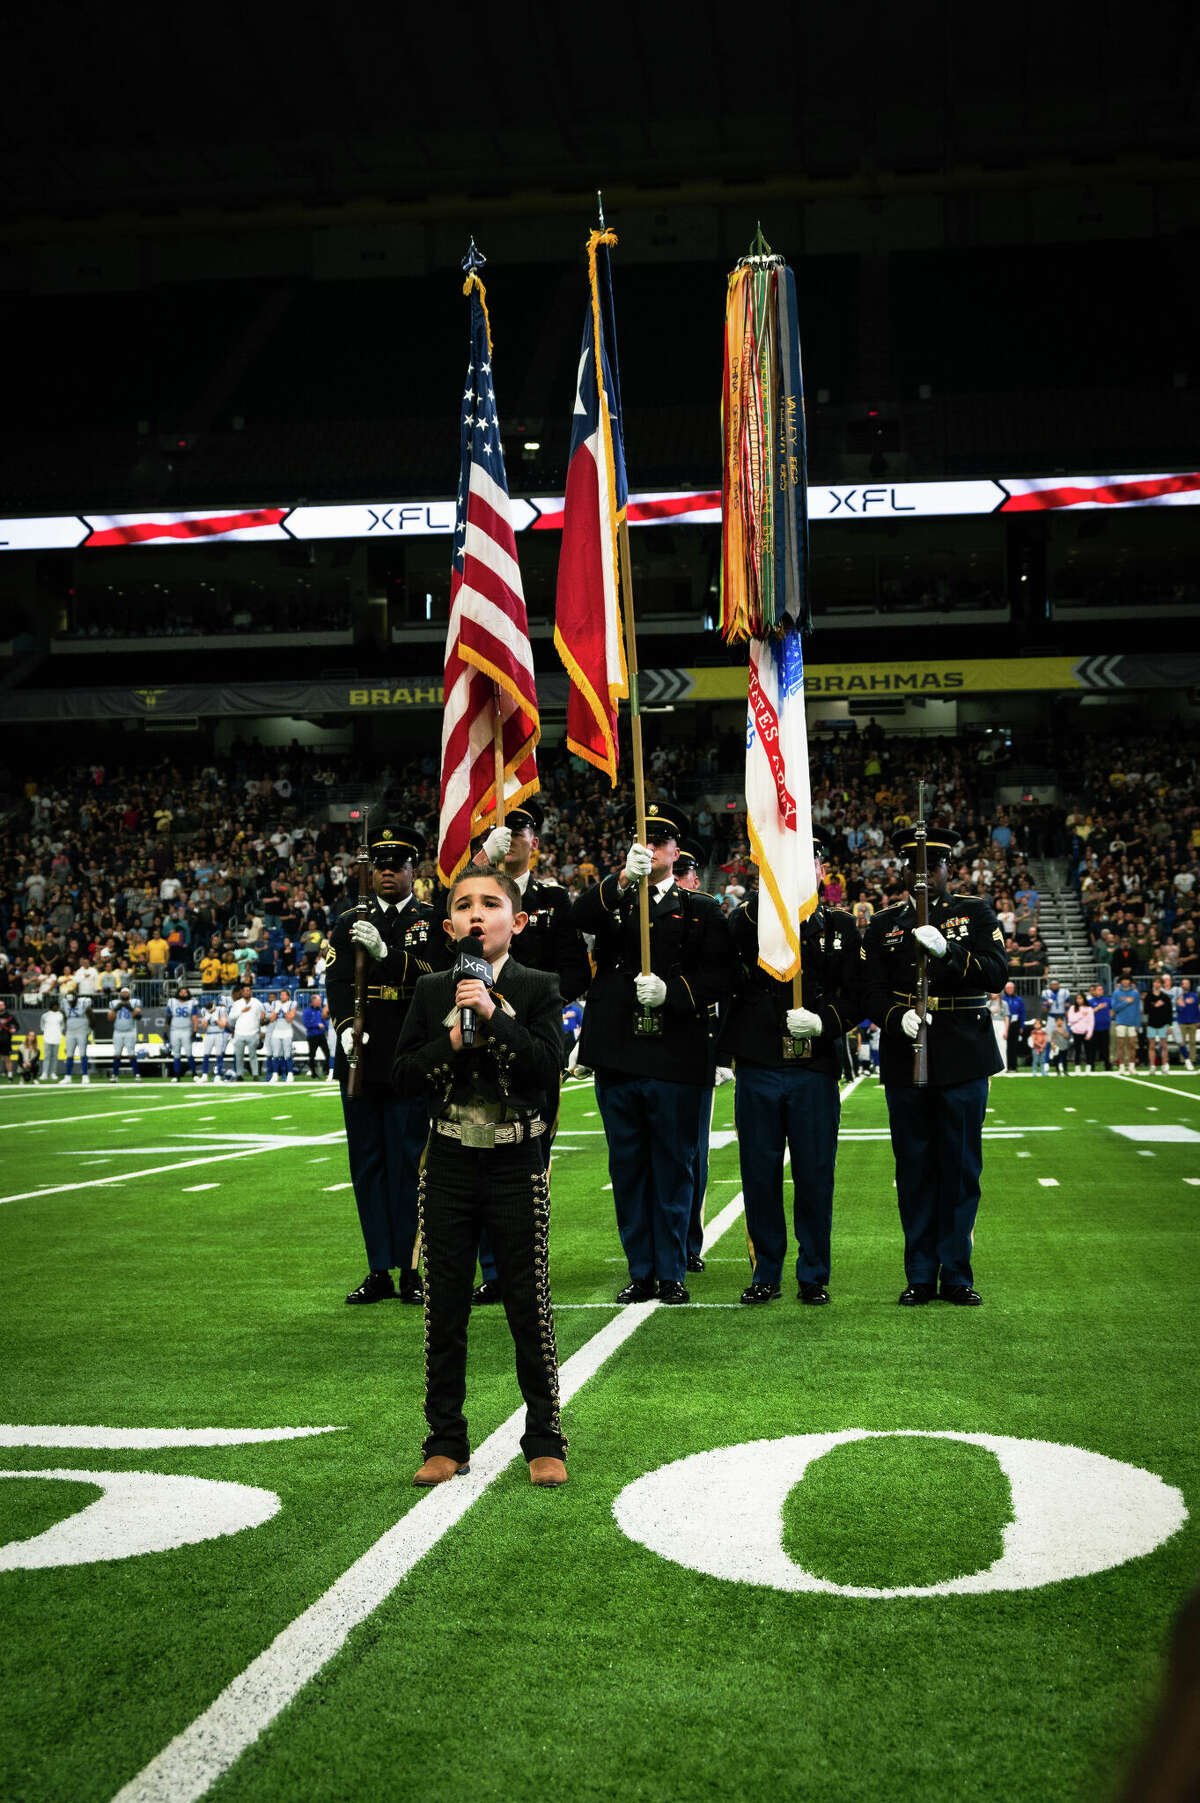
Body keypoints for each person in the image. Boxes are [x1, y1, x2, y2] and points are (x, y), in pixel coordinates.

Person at [393, 866, 568, 1488]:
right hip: (448, 1162)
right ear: (447, 927)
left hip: (516, 1161)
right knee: (445, 1307)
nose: (476, 914)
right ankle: (444, 1439)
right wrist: (451, 1041)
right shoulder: (433, 989)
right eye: (462, 905)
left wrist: (494, 1015)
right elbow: (405, 1076)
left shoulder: (538, 983)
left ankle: (545, 1437)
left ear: (516, 922)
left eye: (490, 904)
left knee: (529, 1304)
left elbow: (548, 1068)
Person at [571, 800, 734, 1305]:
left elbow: (723, 976)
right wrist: (621, 879)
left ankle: (671, 1270)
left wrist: (674, 991)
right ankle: (640, 1269)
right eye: (641, 840)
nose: (650, 848)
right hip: (618, 1049)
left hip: (675, 1052)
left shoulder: (702, 909)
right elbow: (577, 918)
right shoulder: (615, 897)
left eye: (659, 840)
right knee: (628, 1166)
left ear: (675, 850)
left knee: (674, 1163)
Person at [860, 824, 1007, 1306]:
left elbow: (997, 974)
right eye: (913, 868)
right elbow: (873, 991)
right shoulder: (884, 924)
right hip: (908, 1056)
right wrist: (894, 1016)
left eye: (932, 867)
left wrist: (949, 950)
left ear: (948, 869)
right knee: (916, 1169)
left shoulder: (974, 912)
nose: (922, 877)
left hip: (963, 1053)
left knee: (961, 1169)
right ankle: (921, 1273)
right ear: (903, 871)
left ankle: (957, 1274)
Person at [717, 837, 860, 1306]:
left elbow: (856, 993)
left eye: (808, 861)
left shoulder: (838, 925)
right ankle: (767, 1272)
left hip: (813, 1066)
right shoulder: (744, 920)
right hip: (759, 1064)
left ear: (821, 870)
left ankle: (814, 1273)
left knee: (815, 1175)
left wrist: (824, 1023)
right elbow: (725, 978)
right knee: (759, 1175)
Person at [461, 801, 591, 1305]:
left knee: (531, 1156)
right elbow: (444, 940)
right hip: (476, 1042)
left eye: (519, 829)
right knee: (477, 1149)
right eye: (501, 830)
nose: (511, 838)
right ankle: (493, 1270)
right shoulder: (471, 894)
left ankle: (526, 1264)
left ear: (534, 839)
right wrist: (477, 867)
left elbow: (576, 969)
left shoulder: (554, 900)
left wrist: (534, 998)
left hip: (534, 1041)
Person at [326, 824, 447, 1306]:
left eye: (397, 865)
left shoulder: (432, 921)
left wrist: (386, 953)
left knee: (409, 1164)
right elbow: (336, 980)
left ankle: (413, 1267)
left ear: (413, 870)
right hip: (361, 1056)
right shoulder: (347, 921)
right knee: (368, 1165)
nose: (387, 873)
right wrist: (342, 1027)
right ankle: (379, 1266)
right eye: (380, 866)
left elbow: (436, 978)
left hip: (410, 1053)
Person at [228, 983, 266, 1080]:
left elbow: (263, 1015)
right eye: (244, 991)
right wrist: (242, 1011)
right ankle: (240, 1074)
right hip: (239, 1033)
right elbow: (231, 1017)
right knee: (239, 1055)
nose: (246, 992)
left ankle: (255, 1074)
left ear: (251, 992)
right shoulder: (237, 1004)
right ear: (242, 992)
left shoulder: (257, 1002)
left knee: (253, 1055)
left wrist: (262, 1025)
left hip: (253, 1033)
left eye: (248, 990)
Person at [107, 988, 142, 1081]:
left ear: (129, 994)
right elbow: (110, 1018)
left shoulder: (135, 1002)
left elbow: (137, 1015)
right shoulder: (114, 1003)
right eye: (123, 992)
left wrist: (129, 1008)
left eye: (126, 993)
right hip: (118, 1031)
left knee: (131, 1053)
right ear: (120, 994)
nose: (125, 994)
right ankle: (115, 1075)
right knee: (117, 1053)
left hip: (130, 1030)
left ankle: (137, 1075)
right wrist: (116, 1009)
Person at [166, 984, 199, 1082]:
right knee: (176, 1054)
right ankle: (177, 1075)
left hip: (186, 1030)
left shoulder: (191, 1003)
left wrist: (195, 1030)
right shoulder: (172, 1002)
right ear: (178, 993)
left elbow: (194, 1018)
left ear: (188, 993)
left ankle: (194, 1074)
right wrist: (165, 1030)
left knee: (189, 1052)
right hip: (174, 1030)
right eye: (181, 992)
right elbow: (168, 1017)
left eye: (185, 992)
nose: (183, 993)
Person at [1111, 975, 1143, 1072]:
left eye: (1127, 980)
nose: (1125, 982)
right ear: (1121, 982)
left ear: (1130, 982)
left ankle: (1132, 1066)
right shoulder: (1116, 993)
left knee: (1132, 1045)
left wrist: (1138, 1024)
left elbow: (1138, 1010)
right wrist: (1126, 1002)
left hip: (1132, 1023)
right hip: (1120, 1022)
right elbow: (1115, 1008)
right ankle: (1121, 1066)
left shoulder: (1135, 994)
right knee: (1120, 1045)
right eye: (1123, 980)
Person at [62, 984, 93, 1084]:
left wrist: (90, 1027)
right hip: (70, 1031)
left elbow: (90, 1014)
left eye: (72, 1001)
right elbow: (64, 1015)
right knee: (69, 1054)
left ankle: (85, 1075)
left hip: (81, 1030)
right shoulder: (65, 1002)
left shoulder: (83, 1002)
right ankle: (67, 1076)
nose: (70, 1003)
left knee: (83, 1053)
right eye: (69, 1001)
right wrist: (65, 1026)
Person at [265, 988, 297, 1083]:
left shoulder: (292, 1003)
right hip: (277, 1030)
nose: (282, 996)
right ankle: (275, 1075)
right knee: (275, 1054)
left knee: (287, 1053)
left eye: (284, 995)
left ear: (288, 996)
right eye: (281, 995)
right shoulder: (275, 1003)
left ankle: (290, 1074)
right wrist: (276, 1009)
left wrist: (284, 1009)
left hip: (287, 1030)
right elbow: (272, 1019)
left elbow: (290, 1019)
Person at [1145, 979, 1174, 1073]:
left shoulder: (1165, 997)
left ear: (1161, 985)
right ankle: (1152, 1066)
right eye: (1155, 982)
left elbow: (1170, 1013)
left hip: (1163, 1024)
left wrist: (1171, 1026)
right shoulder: (1148, 996)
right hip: (1151, 1024)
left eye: (1158, 983)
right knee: (1152, 1046)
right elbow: (1146, 1010)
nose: (1156, 984)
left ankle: (1164, 1065)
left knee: (1164, 1046)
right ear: (1153, 984)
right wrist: (1155, 1005)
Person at [198, 998, 230, 1082]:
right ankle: (204, 1075)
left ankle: (218, 1075)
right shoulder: (204, 1011)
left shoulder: (221, 1010)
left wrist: (216, 1019)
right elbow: (204, 1027)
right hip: (209, 1034)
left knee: (219, 1054)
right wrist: (206, 1019)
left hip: (219, 1034)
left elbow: (223, 1025)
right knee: (206, 1054)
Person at [302, 993, 331, 1079]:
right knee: (312, 1055)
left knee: (328, 1053)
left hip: (321, 1035)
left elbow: (324, 1022)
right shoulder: (307, 1011)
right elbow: (306, 1024)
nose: (320, 1002)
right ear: (313, 1001)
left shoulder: (320, 1010)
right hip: (312, 1036)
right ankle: (313, 1074)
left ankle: (327, 1070)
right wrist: (317, 1025)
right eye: (318, 1000)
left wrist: (326, 1028)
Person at [1001, 980, 1026, 1072]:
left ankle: (1014, 1067)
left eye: (1011, 988)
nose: (1010, 989)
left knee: (1014, 1046)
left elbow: (1022, 1013)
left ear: (1014, 989)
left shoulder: (1019, 999)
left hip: (1015, 1024)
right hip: (1005, 1025)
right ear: (1005, 989)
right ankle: (1006, 1066)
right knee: (1005, 1046)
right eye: (1008, 988)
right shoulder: (1003, 999)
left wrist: (1021, 1026)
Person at [1067, 993, 1094, 1072]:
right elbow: (1071, 1020)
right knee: (1077, 1050)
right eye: (1078, 998)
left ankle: (1088, 1067)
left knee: (1088, 1050)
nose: (1079, 1000)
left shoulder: (1089, 1009)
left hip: (1086, 1032)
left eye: (1081, 998)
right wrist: (1081, 1015)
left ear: (1084, 999)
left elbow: (1091, 1022)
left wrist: (1089, 1033)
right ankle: (1077, 1067)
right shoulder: (1072, 1008)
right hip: (1076, 1032)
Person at [1088, 983, 1112, 1071]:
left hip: (1105, 1027)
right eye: (1098, 989)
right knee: (1092, 1048)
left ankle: (1107, 1065)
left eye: (1102, 989)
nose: (1100, 991)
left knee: (1105, 1048)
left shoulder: (1107, 1000)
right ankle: (1091, 1065)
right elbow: (1088, 1013)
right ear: (1094, 991)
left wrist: (1108, 1018)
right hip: (1094, 1028)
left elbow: (1111, 1010)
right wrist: (1097, 1008)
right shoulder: (1090, 1002)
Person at [39, 999, 64, 1083]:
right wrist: (48, 1032)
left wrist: (58, 1033)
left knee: (54, 1057)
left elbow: (62, 1026)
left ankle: (53, 1073)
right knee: (47, 1056)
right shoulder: (45, 1015)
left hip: (57, 1038)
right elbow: (42, 1026)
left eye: (56, 1005)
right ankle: (44, 1073)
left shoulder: (61, 1015)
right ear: (51, 1006)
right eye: (54, 1005)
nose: (55, 1007)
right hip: (47, 1038)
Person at [1176, 977, 1198, 1070]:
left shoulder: (1195, 996)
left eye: (1187, 983)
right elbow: (1178, 1009)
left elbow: (1198, 1009)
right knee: (1182, 1042)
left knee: (1192, 1042)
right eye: (1184, 983)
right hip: (1182, 1021)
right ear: (1181, 985)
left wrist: (1198, 1020)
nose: (1186, 985)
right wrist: (1182, 1003)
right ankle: (1183, 1060)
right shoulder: (1179, 997)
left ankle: (1192, 1059)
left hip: (1193, 1021)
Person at [0, 1003, 16, 1081]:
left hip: (6, 1040)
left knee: (7, 1058)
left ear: (4, 1006)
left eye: (2, 1005)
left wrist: (14, 1029)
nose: (0, 1006)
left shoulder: (10, 1017)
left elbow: (16, 1026)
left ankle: (10, 1076)